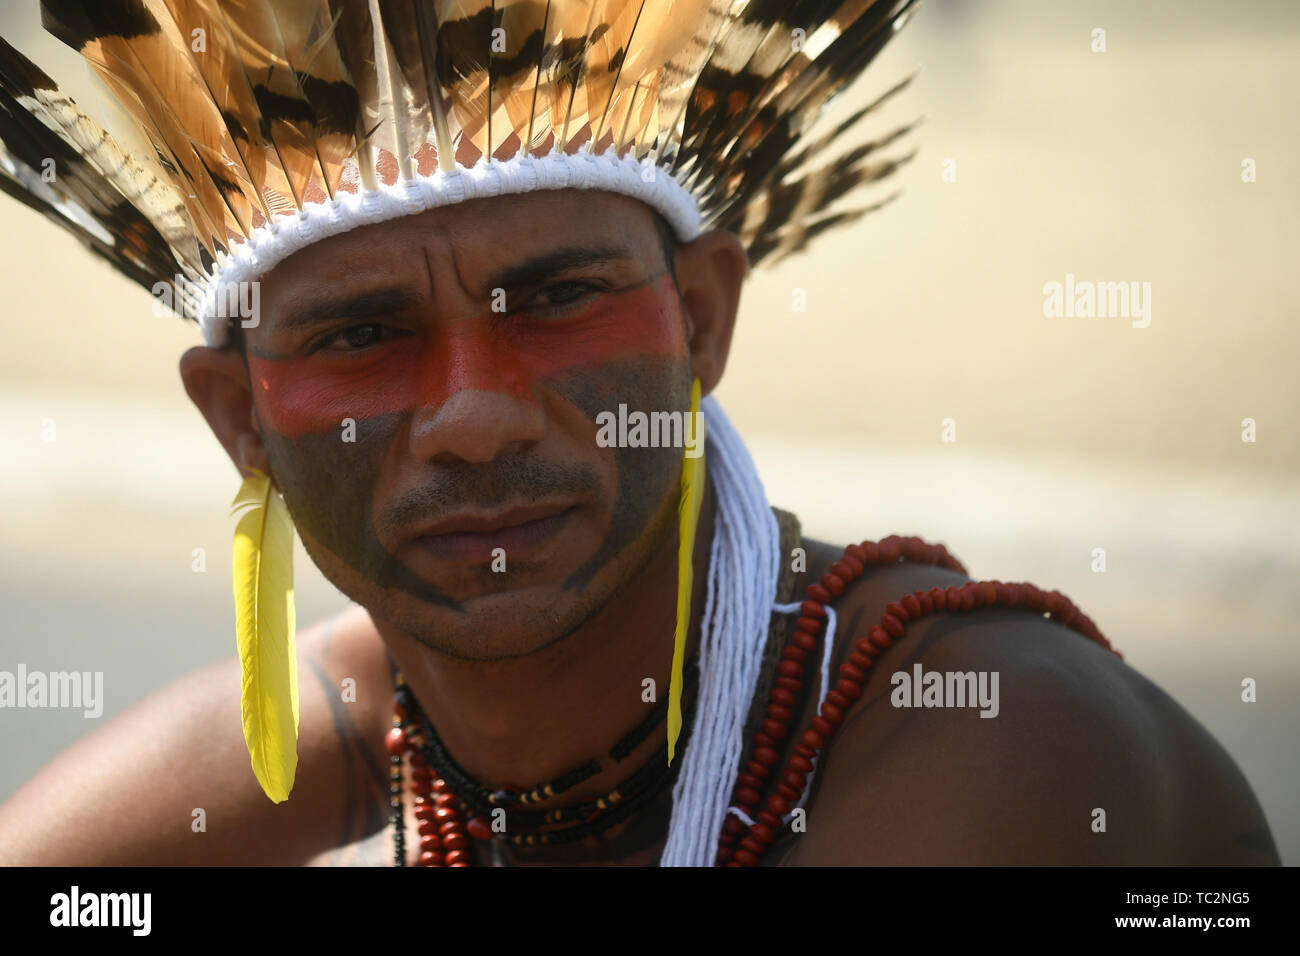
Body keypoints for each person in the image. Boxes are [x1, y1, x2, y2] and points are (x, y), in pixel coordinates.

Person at [0, 0, 1278, 867]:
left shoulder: (997, 733)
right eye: (359, 335)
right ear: (242, 422)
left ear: (702, 319)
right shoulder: (358, 725)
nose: (476, 415)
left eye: (556, 299)